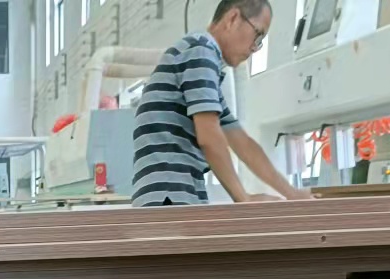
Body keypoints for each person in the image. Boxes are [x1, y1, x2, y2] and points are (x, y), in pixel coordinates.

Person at [132, 0, 310, 206]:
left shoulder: (206, 73)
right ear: (233, 18)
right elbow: (209, 136)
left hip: (176, 192)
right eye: (258, 35)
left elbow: (242, 142)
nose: (255, 47)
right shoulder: (201, 50)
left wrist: (292, 193)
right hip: (170, 194)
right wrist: (243, 198)